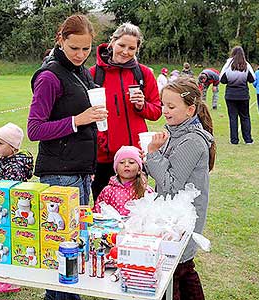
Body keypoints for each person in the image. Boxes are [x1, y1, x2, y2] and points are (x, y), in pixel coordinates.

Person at [28, 14, 106, 300]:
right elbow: (34, 128)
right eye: (74, 48)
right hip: (59, 173)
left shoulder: (81, 72)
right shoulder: (49, 77)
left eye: (86, 49)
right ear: (60, 40)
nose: (80, 55)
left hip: (80, 170)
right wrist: (78, 120)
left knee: (74, 248)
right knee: (63, 249)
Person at [145, 77, 216, 300]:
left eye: (171, 106)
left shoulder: (192, 141)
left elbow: (170, 186)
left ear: (190, 110)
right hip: (176, 218)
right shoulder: (175, 133)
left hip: (182, 221)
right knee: (184, 270)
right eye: (163, 104)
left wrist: (153, 154)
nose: (164, 110)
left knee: (174, 272)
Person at [89, 22, 162, 201]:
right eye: (122, 45)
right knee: (103, 210)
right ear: (112, 42)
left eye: (131, 48)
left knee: (137, 211)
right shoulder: (93, 74)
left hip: (135, 157)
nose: (125, 51)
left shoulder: (144, 74)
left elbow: (157, 111)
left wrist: (142, 105)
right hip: (104, 157)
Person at [0, 122, 33, 293]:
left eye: (0, 143)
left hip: (10, 211)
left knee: (8, 244)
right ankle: (2, 276)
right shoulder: (6, 160)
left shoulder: (15, 165)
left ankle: (12, 280)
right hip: (2, 211)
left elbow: (8, 188)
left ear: (12, 146)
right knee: (1, 244)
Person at [93, 146, 151, 216]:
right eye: (122, 162)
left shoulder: (146, 191)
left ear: (139, 170)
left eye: (131, 162)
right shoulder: (108, 191)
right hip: (113, 226)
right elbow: (97, 212)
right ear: (116, 169)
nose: (126, 165)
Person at [220, 46, 256, 144]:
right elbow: (252, 79)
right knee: (245, 117)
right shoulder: (246, 65)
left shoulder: (228, 65)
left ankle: (234, 140)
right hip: (243, 95)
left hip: (230, 95)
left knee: (233, 117)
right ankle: (248, 139)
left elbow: (222, 80)